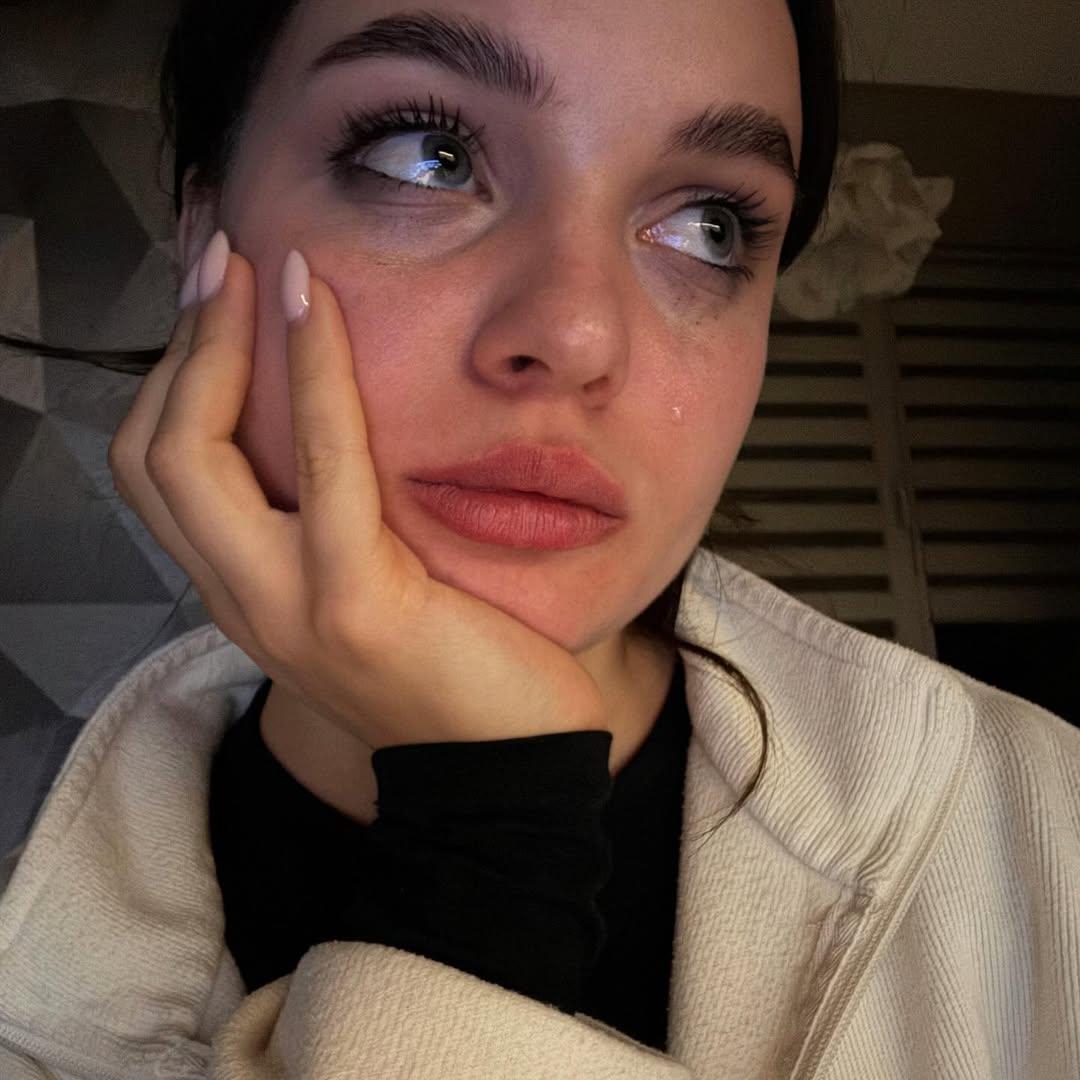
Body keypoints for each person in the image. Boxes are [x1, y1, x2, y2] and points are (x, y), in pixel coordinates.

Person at [1, 1, 1078, 1077]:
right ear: (203, 229)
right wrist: (489, 830)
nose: (577, 334)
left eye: (709, 224)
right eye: (428, 155)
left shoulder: (1051, 827)